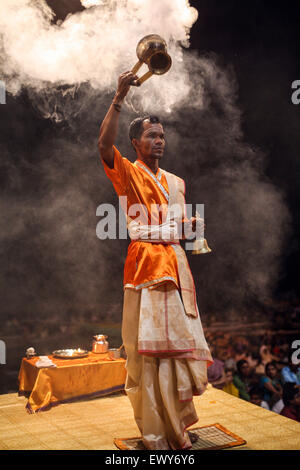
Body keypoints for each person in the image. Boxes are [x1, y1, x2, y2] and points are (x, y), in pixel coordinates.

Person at [98, 71, 212, 450]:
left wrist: (191, 228)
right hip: (146, 266)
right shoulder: (128, 173)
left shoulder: (176, 182)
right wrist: (119, 95)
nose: (159, 141)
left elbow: (180, 230)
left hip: (176, 267)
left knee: (174, 355)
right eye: (151, 135)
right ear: (135, 142)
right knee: (147, 355)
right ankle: (154, 433)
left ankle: (175, 428)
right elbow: (102, 145)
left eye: (162, 136)